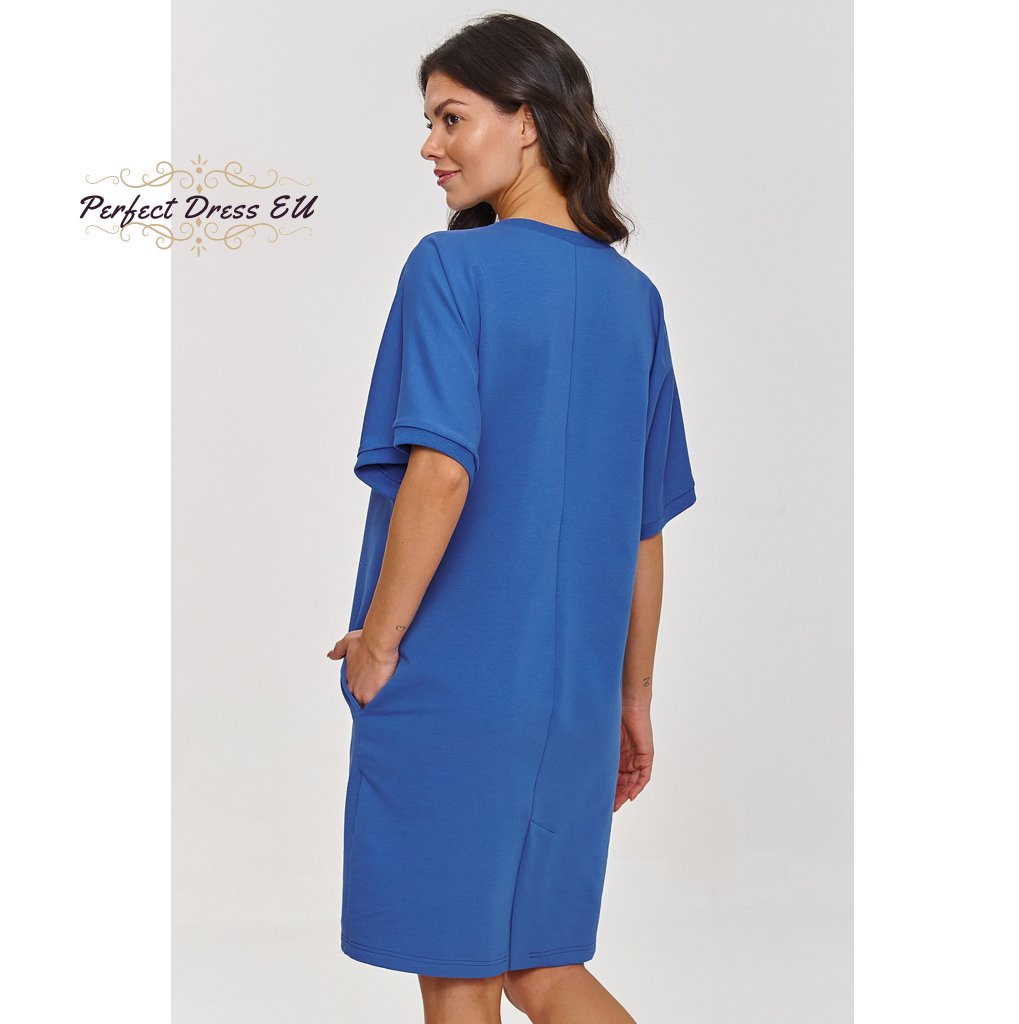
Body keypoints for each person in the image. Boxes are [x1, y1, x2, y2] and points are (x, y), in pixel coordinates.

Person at [326, 13, 697, 1024]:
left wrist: (379, 644)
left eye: (451, 118)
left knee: (460, 973)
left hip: (456, 685)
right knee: (540, 968)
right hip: (573, 703)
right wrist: (631, 698)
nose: (430, 146)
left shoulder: (449, 270)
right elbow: (645, 528)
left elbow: (441, 472)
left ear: (526, 121)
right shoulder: (634, 300)